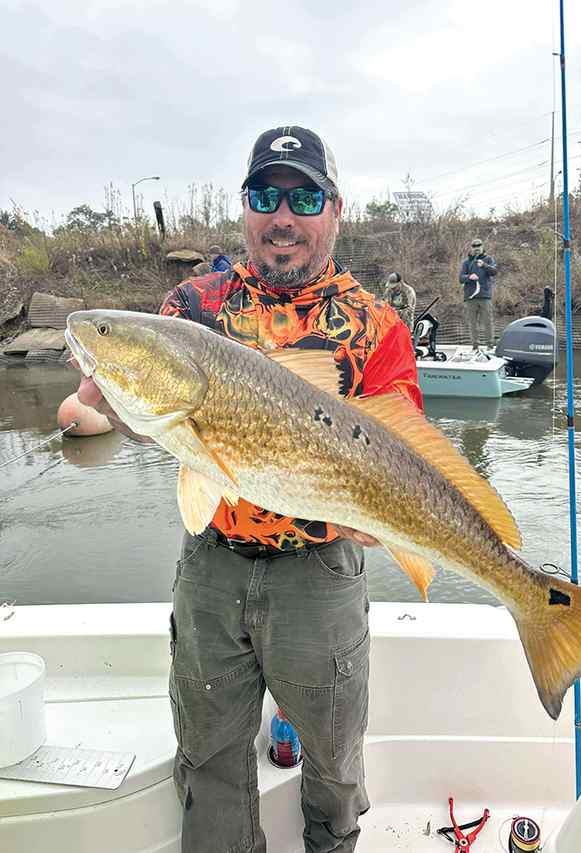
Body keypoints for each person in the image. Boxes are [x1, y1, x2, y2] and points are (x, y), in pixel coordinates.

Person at [76, 125, 422, 853]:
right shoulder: (192, 306)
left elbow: (406, 443)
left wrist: (386, 514)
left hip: (321, 575)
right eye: (266, 194)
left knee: (333, 754)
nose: (283, 216)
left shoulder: (377, 324)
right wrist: (99, 402)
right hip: (212, 566)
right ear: (245, 207)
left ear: (335, 208)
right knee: (210, 756)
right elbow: (136, 413)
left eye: (303, 196)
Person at [458, 238, 497, 349]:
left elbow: (494, 272)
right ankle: (475, 346)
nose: (477, 248)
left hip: (485, 297)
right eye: (474, 246)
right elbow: (461, 278)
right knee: (473, 324)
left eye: (479, 246)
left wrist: (484, 265)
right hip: (470, 297)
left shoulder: (489, 259)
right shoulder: (466, 263)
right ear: (471, 248)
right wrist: (469, 277)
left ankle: (490, 346)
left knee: (488, 322)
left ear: (482, 247)